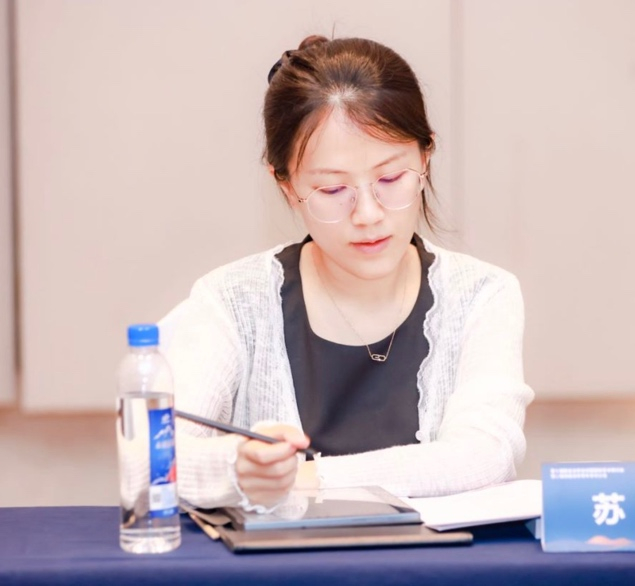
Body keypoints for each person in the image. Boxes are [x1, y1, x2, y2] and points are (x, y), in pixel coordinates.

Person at [160, 35, 532, 510]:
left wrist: (302, 478)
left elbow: (485, 455)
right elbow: (158, 456)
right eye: (333, 190)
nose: (368, 214)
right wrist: (236, 466)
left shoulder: (482, 294)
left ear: (425, 156)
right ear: (285, 183)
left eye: (390, 178)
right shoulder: (232, 301)